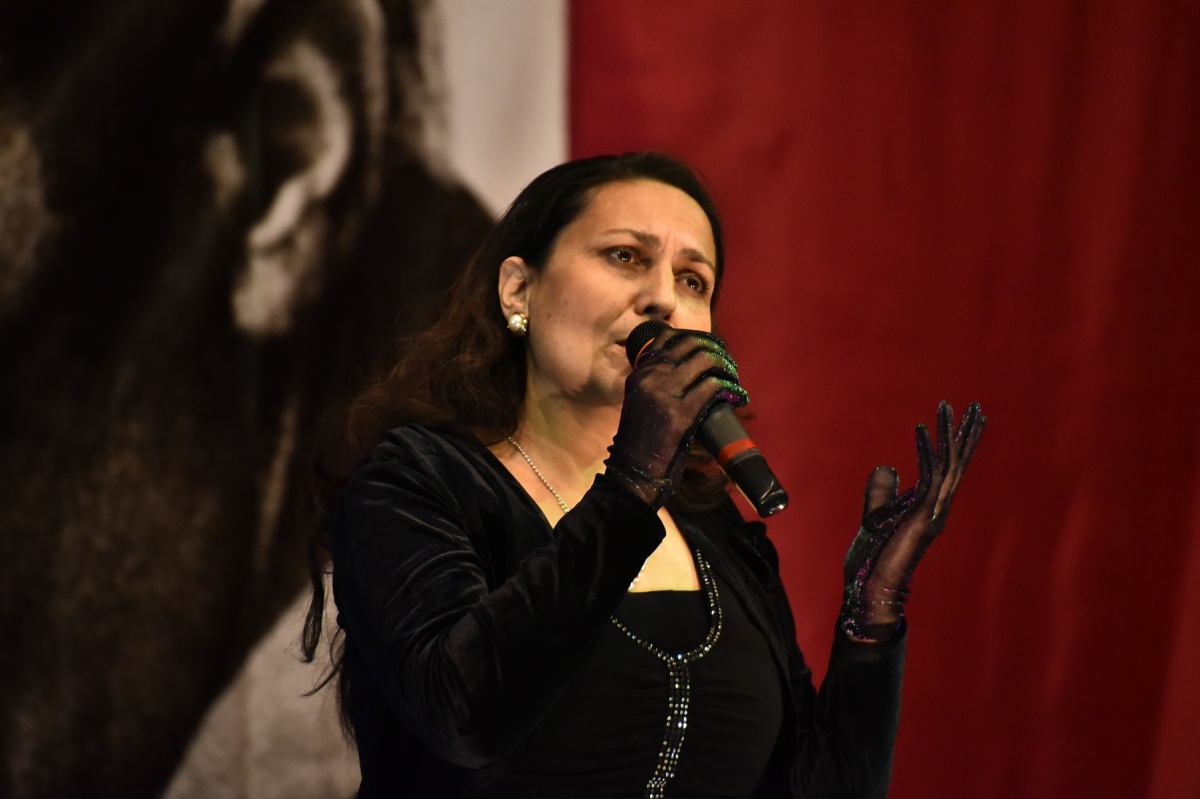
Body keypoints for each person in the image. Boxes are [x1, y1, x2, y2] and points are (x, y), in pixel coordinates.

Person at [302, 151, 985, 798]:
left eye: (692, 281)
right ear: (518, 289)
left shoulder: (718, 534)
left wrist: (872, 620)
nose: (661, 299)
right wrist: (632, 483)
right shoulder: (417, 481)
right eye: (625, 256)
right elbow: (463, 717)